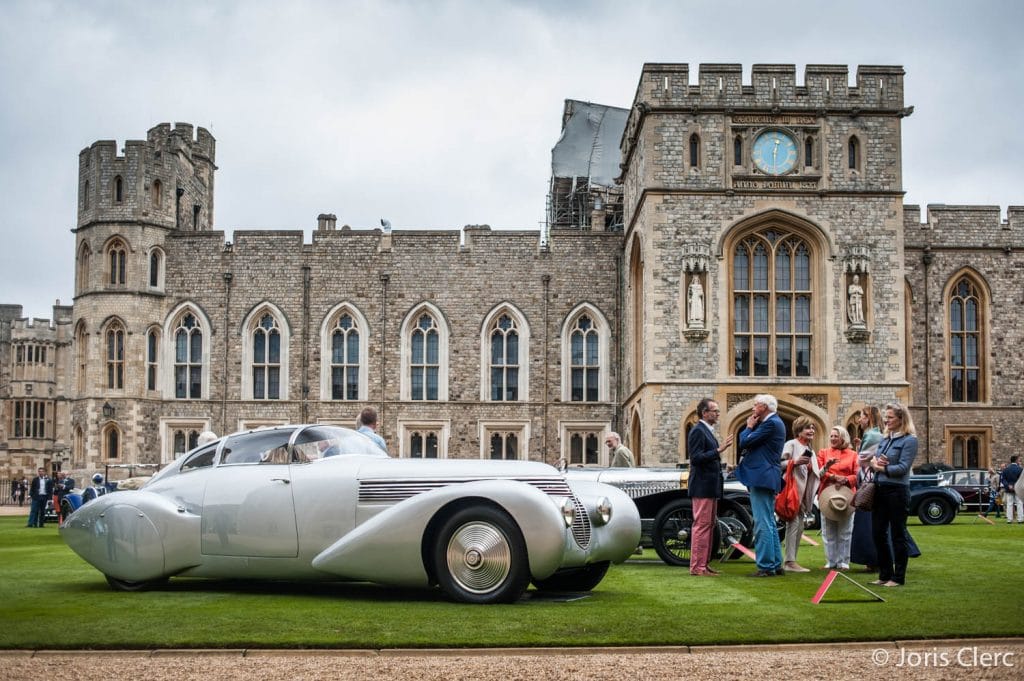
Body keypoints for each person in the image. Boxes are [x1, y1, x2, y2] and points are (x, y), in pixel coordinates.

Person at [735, 394, 787, 577]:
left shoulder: (770, 424)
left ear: (764, 407)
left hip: (761, 476)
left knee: (762, 522)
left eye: (755, 405)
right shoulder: (775, 423)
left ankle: (765, 565)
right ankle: (775, 563)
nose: (752, 409)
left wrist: (748, 427)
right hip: (767, 476)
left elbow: (744, 442)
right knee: (769, 521)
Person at [869, 402, 919, 587]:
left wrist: (880, 467)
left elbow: (903, 468)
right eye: (886, 417)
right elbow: (876, 460)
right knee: (878, 533)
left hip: (897, 491)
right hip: (880, 489)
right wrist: (877, 463)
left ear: (901, 419)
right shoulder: (885, 439)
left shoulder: (910, 440)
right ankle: (884, 574)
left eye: (890, 417)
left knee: (898, 534)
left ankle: (898, 577)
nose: (886, 420)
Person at [686, 398, 733, 576]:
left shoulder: (706, 431)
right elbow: (696, 458)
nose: (718, 413)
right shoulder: (698, 431)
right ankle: (697, 566)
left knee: (709, 524)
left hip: (710, 486)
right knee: (702, 525)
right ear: (704, 413)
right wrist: (719, 451)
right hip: (702, 486)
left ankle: (703, 564)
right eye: (714, 410)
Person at [817, 426, 859, 571]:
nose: (833, 438)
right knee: (828, 530)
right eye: (832, 436)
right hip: (827, 494)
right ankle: (831, 561)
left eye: (836, 436)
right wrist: (833, 477)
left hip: (846, 495)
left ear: (843, 438)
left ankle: (844, 561)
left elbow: (857, 474)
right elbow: (819, 472)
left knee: (845, 530)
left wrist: (846, 479)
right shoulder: (823, 452)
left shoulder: (853, 455)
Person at [780, 417, 819, 573]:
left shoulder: (810, 449)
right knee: (793, 525)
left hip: (803, 493)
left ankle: (792, 560)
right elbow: (779, 463)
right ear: (798, 430)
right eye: (807, 428)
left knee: (800, 526)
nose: (811, 431)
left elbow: (813, 474)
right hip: (792, 491)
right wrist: (794, 462)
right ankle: (789, 561)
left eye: (812, 428)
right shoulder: (791, 444)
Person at [851, 406, 883, 570]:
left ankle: (873, 560)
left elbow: (862, 460)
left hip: (868, 484)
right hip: (871, 481)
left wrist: (858, 453)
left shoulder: (871, 435)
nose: (859, 420)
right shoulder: (874, 435)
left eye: (862, 417)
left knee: (867, 523)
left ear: (869, 418)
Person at [1000, 455, 1023, 523]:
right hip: (1018, 489)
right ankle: (1020, 519)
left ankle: (1009, 519)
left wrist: (1008, 486)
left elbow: (1003, 480)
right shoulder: (1020, 469)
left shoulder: (1006, 470)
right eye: (1018, 460)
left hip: (1009, 489)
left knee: (1009, 504)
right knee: (1019, 503)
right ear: (1016, 460)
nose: (1019, 461)